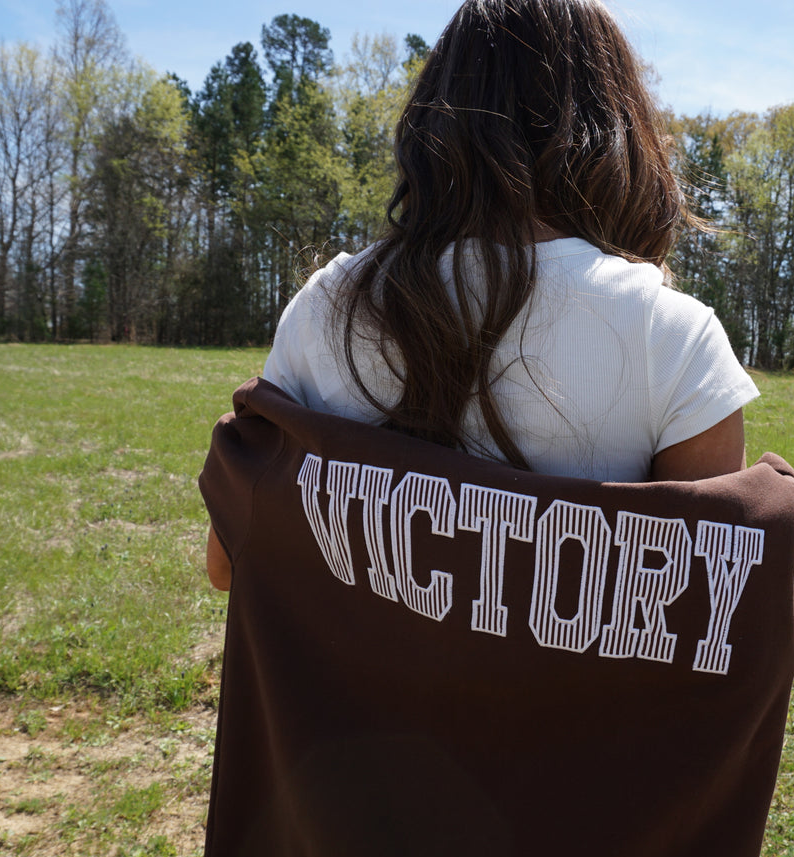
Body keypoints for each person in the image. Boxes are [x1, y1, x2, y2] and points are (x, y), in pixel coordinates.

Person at [207, 0, 758, 592]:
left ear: (434, 118)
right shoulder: (674, 336)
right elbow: (702, 611)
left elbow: (227, 566)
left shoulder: (327, 303)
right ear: (618, 128)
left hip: (345, 685)